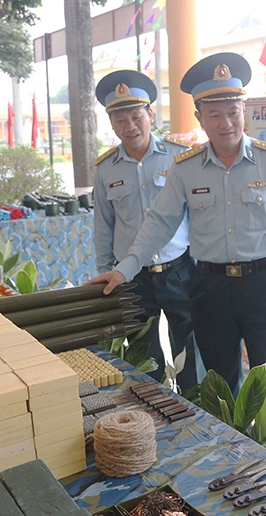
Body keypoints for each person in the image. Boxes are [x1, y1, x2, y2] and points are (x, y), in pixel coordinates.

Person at [93, 53, 266, 394]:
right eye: (214, 115)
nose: (226, 123)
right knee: (218, 384)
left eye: (233, 112)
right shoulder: (185, 168)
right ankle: (225, 448)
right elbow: (160, 223)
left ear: (244, 112)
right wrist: (124, 269)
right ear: (200, 118)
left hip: (263, 286)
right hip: (209, 287)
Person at [86, 70, 202, 389]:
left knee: (190, 353)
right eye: (120, 119)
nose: (130, 126)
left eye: (136, 116)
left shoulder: (180, 156)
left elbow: (197, 216)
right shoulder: (105, 168)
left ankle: (194, 411)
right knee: (143, 359)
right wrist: (105, 273)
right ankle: (152, 420)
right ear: (111, 123)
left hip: (180, 270)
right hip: (132, 278)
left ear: (150, 115)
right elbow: (103, 227)